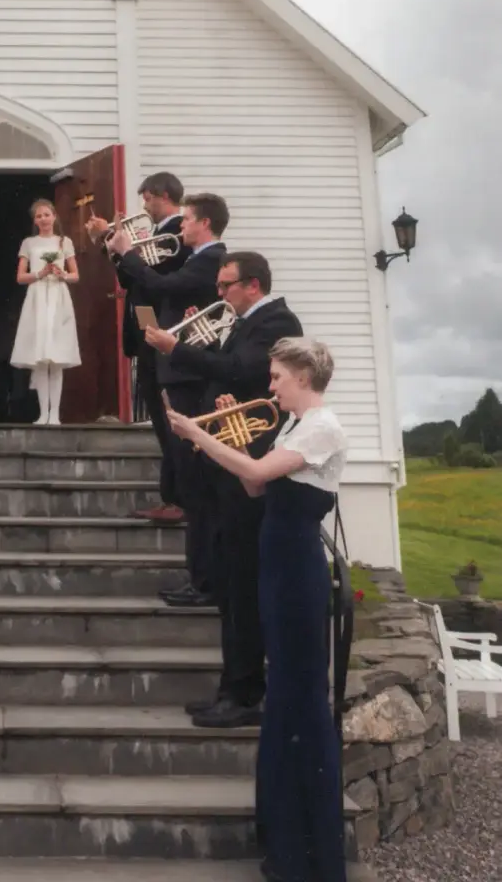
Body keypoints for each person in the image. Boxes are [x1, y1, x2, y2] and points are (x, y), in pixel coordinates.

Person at [166, 338, 348, 882]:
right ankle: (284, 840)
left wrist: (199, 434)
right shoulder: (293, 426)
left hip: (297, 570)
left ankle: (310, 854)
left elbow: (261, 473)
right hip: (276, 562)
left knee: (299, 695)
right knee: (284, 695)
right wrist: (228, 431)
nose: (270, 387)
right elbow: (252, 484)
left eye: (276, 378)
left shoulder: (322, 427)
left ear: (303, 376)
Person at [145, 251, 303, 727]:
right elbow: (229, 368)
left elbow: (239, 369)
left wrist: (177, 348)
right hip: (225, 465)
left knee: (243, 587)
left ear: (252, 285)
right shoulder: (245, 321)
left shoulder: (276, 321)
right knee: (230, 585)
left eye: (225, 285)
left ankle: (245, 693)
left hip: (247, 468)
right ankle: (231, 687)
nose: (219, 293)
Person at [108, 192, 228, 606]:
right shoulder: (197, 257)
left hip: (186, 372)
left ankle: (204, 580)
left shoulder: (209, 260)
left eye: (188, 219)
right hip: (171, 363)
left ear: (204, 223)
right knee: (187, 473)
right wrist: (123, 255)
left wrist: (128, 252)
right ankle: (199, 577)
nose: (182, 225)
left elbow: (161, 285)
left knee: (195, 482)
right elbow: (151, 286)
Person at [86, 171, 186, 516]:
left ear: (164, 196)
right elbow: (130, 278)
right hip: (145, 321)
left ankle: (177, 498)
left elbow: (154, 278)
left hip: (160, 322)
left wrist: (117, 238)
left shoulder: (176, 231)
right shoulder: (157, 232)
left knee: (165, 415)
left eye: (148, 198)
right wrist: (113, 248)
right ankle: (170, 496)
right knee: (157, 414)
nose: (144, 206)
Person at [11, 199, 81, 425]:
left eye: (46, 215)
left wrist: (62, 274)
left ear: (54, 216)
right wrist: (39, 274)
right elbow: (20, 277)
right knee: (40, 358)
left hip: (58, 297)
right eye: (39, 216)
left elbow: (75, 275)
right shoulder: (29, 243)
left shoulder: (64, 241)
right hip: (38, 297)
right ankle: (43, 413)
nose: (43, 219)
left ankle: (55, 413)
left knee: (56, 357)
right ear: (35, 220)